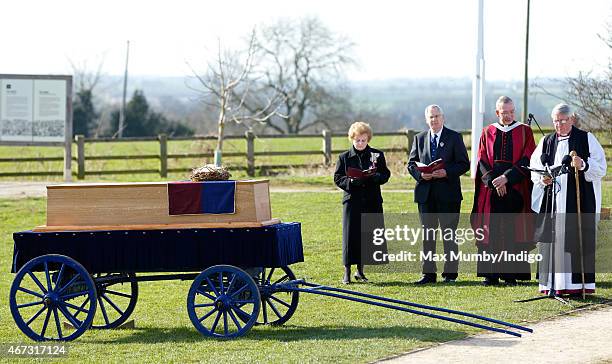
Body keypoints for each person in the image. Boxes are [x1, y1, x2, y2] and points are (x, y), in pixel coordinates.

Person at [530, 103, 606, 296]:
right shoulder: (546, 142)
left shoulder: (586, 139)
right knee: (552, 240)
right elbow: (535, 166)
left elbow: (601, 168)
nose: (559, 125)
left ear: (571, 119)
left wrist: (584, 164)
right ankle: (552, 285)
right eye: (556, 121)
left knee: (576, 238)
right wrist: (542, 178)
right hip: (553, 201)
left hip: (577, 200)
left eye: (563, 121)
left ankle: (577, 286)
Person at [471, 96, 536, 286]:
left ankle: (511, 275)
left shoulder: (525, 131)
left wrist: (507, 178)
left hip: (515, 188)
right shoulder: (487, 131)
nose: (508, 116)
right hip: (491, 191)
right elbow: (482, 160)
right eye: (504, 112)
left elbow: (528, 158)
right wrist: (494, 182)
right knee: (490, 230)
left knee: (513, 230)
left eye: (511, 112)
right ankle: (490, 275)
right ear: (497, 112)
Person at [408, 105, 470, 284]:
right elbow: (411, 164)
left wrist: (447, 172)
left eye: (436, 116)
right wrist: (421, 175)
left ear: (443, 117)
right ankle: (428, 274)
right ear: (426, 119)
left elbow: (463, 164)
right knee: (428, 235)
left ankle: (450, 274)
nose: (433, 120)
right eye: (430, 117)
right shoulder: (419, 138)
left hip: (448, 194)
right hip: (426, 195)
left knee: (448, 235)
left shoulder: (454, 137)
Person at [334, 121, 391, 284]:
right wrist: (350, 182)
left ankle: (361, 271)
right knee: (350, 235)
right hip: (352, 201)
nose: (360, 143)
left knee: (367, 235)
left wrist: (377, 177)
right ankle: (347, 271)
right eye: (357, 140)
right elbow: (337, 178)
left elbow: (385, 174)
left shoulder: (377, 155)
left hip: (372, 200)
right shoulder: (344, 157)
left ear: (368, 139)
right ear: (352, 139)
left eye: (363, 140)